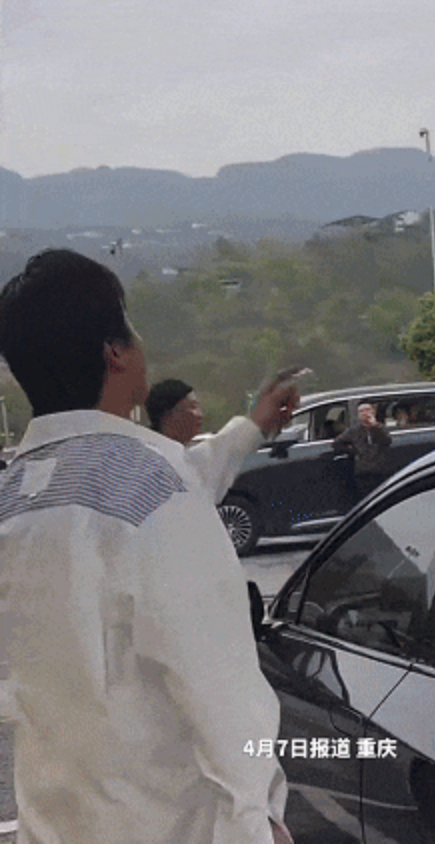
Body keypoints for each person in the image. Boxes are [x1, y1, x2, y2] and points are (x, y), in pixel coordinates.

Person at [0, 249, 295, 844]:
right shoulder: (155, 490)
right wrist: (257, 818)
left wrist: (252, 426)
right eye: (131, 327)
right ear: (114, 352)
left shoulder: (15, 498)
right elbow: (222, 698)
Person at [146, 377, 279, 504]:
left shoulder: (172, 453)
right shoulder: (166, 463)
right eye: (192, 407)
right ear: (169, 415)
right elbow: (227, 444)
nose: (200, 415)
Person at [333, 400, 393, 502]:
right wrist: (353, 451)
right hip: (363, 471)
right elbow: (337, 443)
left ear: (373, 412)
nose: (365, 413)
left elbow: (387, 441)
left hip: (380, 470)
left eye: (367, 410)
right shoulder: (354, 430)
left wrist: (374, 425)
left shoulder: (380, 428)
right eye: (361, 411)